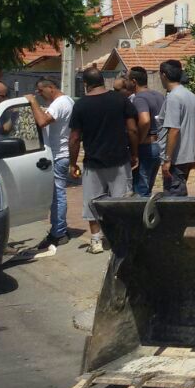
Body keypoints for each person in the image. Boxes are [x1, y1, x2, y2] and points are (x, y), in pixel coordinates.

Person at [68, 68, 138, 254]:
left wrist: (73, 163)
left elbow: (74, 138)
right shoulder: (120, 100)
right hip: (119, 159)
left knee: (92, 201)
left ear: (86, 84)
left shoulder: (81, 105)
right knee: (121, 201)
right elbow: (132, 129)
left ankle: (96, 241)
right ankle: (120, 240)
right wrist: (134, 153)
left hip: (93, 162)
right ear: (103, 81)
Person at [26, 78, 74, 249]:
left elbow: (42, 121)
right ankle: (59, 228)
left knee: (58, 195)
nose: (39, 94)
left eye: (41, 90)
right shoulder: (66, 101)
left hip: (59, 155)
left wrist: (32, 102)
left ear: (51, 87)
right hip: (60, 153)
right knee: (56, 194)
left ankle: (58, 232)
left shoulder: (60, 103)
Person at [158, 60, 195, 196]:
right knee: (180, 194)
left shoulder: (173, 97)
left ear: (164, 75)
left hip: (176, 159)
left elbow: (174, 130)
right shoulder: (192, 96)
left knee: (173, 198)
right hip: (187, 157)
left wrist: (167, 159)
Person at [127, 66, 165, 196]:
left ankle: (141, 209)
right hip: (159, 145)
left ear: (133, 82)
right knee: (148, 187)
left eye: (127, 79)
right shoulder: (159, 96)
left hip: (146, 146)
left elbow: (145, 120)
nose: (126, 82)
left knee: (140, 190)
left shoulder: (139, 98)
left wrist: (139, 141)